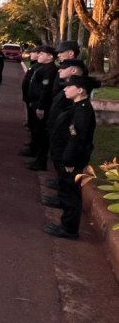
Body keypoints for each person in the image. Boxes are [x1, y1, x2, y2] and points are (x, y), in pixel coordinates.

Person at [43, 74, 99, 239]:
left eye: (69, 86)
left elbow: (76, 139)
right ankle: (66, 221)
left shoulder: (82, 112)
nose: (65, 89)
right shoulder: (77, 107)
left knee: (71, 194)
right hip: (65, 156)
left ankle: (69, 229)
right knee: (66, 189)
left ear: (80, 90)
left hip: (71, 160)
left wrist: (68, 161)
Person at [42, 58, 88, 206]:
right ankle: (62, 199)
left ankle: (66, 213)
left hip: (67, 146)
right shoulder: (74, 100)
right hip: (61, 141)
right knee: (63, 178)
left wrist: (68, 158)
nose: (65, 89)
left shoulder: (81, 109)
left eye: (69, 87)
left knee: (70, 186)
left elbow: (76, 135)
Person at [26, 46, 58, 171]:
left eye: (42, 54)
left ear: (50, 57)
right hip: (35, 102)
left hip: (41, 105)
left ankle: (41, 161)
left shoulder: (50, 70)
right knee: (36, 130)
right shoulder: (42, 67)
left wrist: (41, 107)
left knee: (42, 133)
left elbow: (46, 90)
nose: (38, 55)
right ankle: (37, 156)